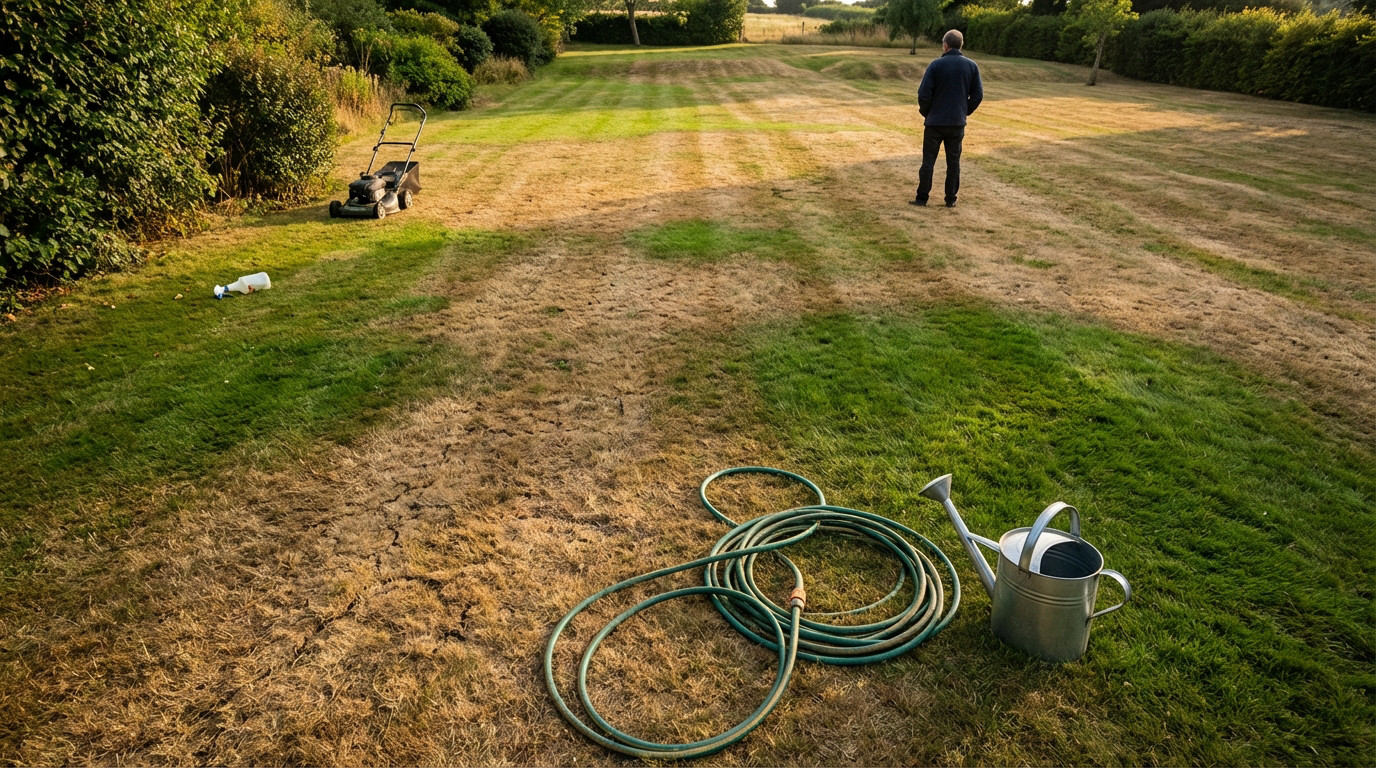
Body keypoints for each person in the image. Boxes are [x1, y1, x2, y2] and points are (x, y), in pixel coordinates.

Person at [912, 30, 983, 208]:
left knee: (928, 161)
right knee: (953, 162)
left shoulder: (936, 65)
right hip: (956, 122)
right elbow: (977, 95)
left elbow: (923, 93)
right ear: (961, 45)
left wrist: (926, 112)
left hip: (934, 122)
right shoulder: (971, 66)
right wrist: (965, 111)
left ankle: (922, 198)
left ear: (945, 45)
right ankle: (950, 199)